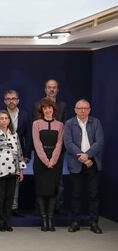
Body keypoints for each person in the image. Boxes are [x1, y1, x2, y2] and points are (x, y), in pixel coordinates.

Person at [64, 99, 104, 234]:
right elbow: (68, 143)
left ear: (89, 110)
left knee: (94, 194)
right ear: (75, 110)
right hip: (76, 163)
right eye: (80, 108)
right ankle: (75, 222)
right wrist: (81, 156)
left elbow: (99, 142)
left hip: (93, 163)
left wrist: (87, 156)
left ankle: (94, 223)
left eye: (85, 108)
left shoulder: (96, 122)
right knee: (75, 194)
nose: (82, 111)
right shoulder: (69, 123)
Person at [0, 110, 26, 232]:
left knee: (10, 198)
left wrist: (21, 170)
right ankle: (0, 222)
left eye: (6, 118)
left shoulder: (14, 135)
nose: (4, 120)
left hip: (13, 169)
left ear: (9, 121)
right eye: (1, 118)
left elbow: (19, 152)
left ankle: (7, 222)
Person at [34, 79, 67, 214]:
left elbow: (64, 126)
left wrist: (59, 150)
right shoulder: (37, 104)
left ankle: (57, 206)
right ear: (45, 89)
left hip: (58, 148)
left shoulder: (63, 105)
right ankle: (39, 209)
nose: (52, 90)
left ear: (57, 90)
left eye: (54, 87)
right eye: (49, 87)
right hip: (41, 147)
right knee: (40, 179)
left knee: (57, 180)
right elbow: (35, 126)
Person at [32, 98, 64, 232]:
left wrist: (53, 160)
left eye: (50, 108)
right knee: (41, 190)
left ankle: (50, 220)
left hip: (55, 161)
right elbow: (37, 144)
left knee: (52, 191)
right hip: (41, 161)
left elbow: (59, 144)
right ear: (42, 110)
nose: (48, 110)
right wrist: (46, 160)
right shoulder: (36, 124)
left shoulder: (60, 125)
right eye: (45, 108)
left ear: (53, 109)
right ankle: (43, 220)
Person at [3, 90, 32, 217]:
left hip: (19, 152)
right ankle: (4, 207)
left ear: (18, 100)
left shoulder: (25, 115)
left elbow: (29, 137)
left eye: (14, 98)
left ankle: (14, 207)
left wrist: (27, 155)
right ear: (5, 101)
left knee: (16, 180)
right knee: (2, 180)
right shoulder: (0, 115)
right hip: (2, 152)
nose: (11, 101)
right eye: (8, 98)